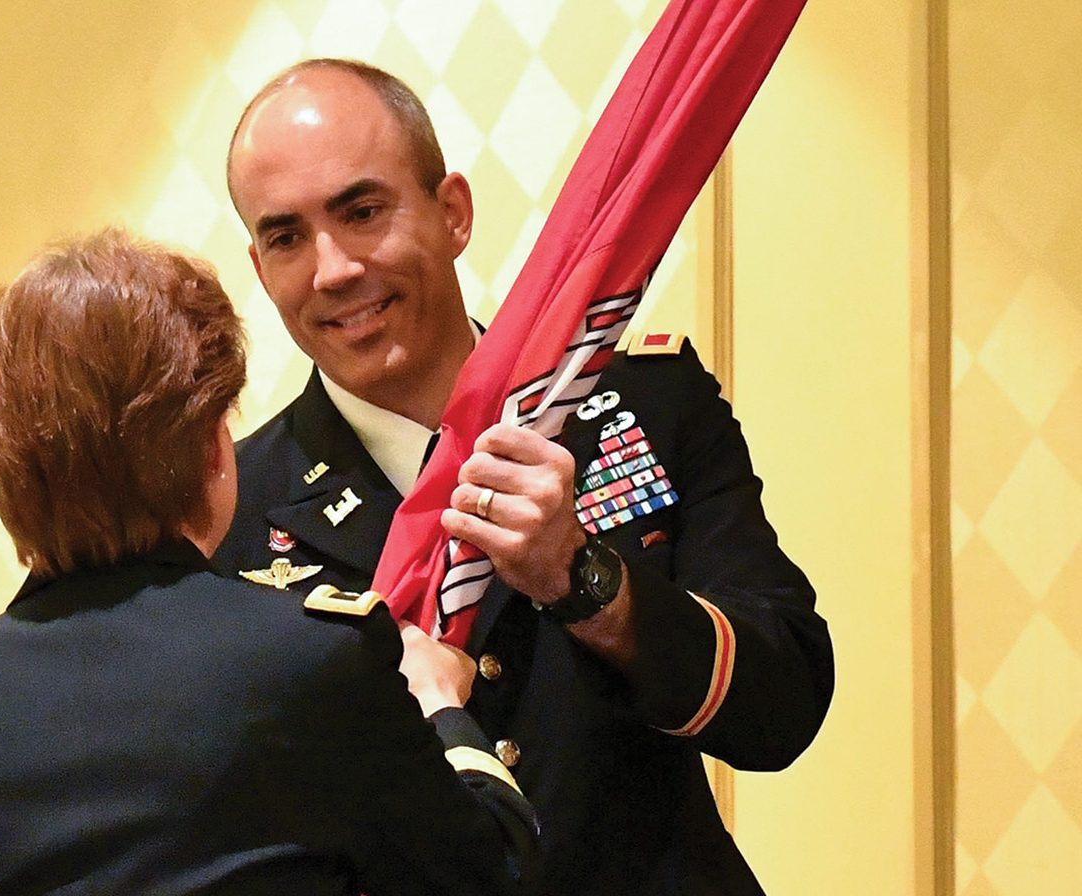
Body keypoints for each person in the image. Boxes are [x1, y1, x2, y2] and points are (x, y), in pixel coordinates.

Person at [216, 59, 834, 895]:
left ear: (453, 213)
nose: (333, 269)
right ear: (260, 268)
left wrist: (588, 583)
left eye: (362, 211)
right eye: (287, 236)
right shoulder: (229, 513)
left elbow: (783, 706)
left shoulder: (639, 406)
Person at [0, 230, 540, 896]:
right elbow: (491, 875)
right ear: (214, 448)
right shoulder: (309, 663)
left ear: (3, 472)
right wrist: (441, 708)